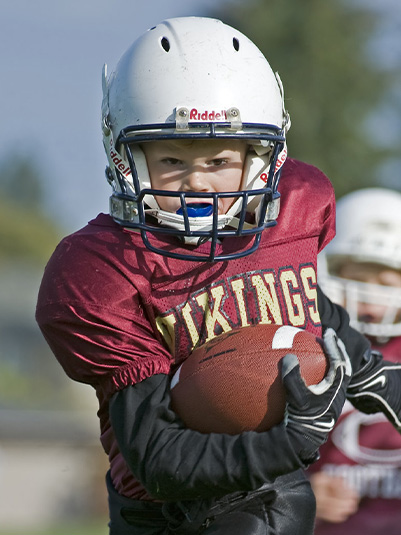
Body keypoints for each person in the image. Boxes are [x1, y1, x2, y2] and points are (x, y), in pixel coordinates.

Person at [35, 17, 401, 534]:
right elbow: (158, 459)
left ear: (263, 156)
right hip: (167, 511)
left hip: (272, 485)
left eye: (218, 159)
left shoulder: (296, 205)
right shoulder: (98, 270)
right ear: (124, 154)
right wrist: (292, 440)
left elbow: (298, 296)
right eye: (170, 159)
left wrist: (368, 369)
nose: (197, 183)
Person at [309, 187, 401, 534]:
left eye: (387, 284)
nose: (373, 302)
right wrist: (296, 493)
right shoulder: (303, 347)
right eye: (357, 281)